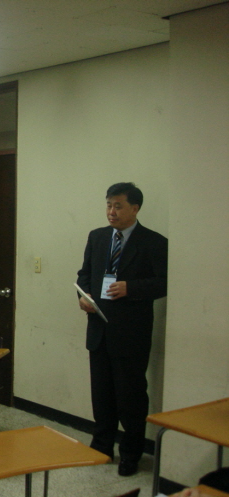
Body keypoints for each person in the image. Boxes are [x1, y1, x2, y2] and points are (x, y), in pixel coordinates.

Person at [76, 182, 168, 476]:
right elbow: (85, 274)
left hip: (131, 334)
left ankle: (131, 453)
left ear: (135, 208)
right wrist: (83, 297)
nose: (111, 212)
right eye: (108, 205)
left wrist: (132, 288)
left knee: (130, 398)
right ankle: (102, 446)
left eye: (118, 206)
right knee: (101, 395)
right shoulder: (98, 237)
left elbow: (164, 282)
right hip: (99, 330)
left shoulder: (154, 242)